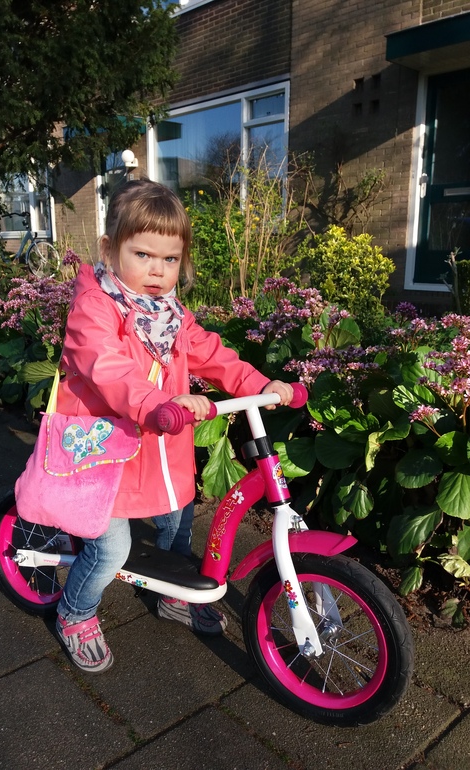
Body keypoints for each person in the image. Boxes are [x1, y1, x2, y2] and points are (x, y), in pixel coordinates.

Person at [54, 179, 294, 672]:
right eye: (142, 255)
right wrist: (158, 404)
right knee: (110, 549)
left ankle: (171, 596)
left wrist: (260, 383)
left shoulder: (170, 315)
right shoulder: (94, 308)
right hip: (106, 452)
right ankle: (74, 612)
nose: (157, 270)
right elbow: (108, 369)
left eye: (169, 259)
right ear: (109, 249)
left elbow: (211, 353)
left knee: (179, 525)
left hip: (163, 450)